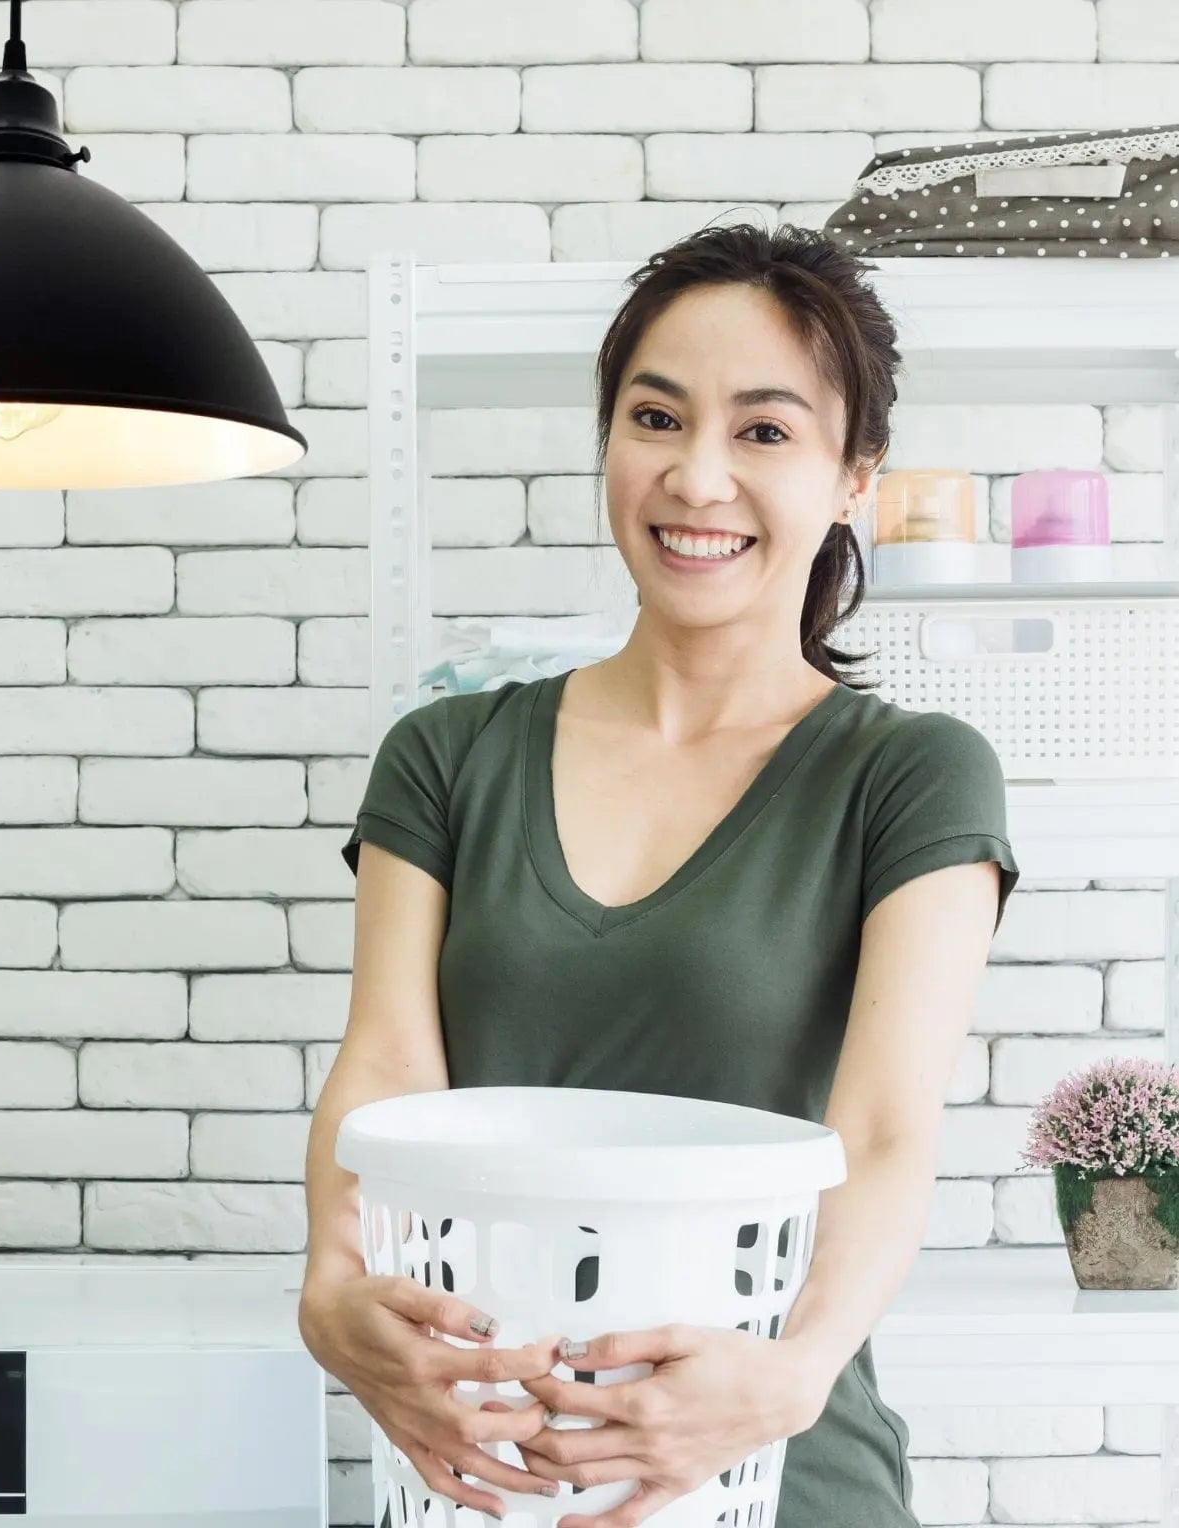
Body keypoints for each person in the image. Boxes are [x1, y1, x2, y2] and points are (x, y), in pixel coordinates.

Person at [297, 222, 1021, 1528]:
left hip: (780, 1468)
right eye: (655, 418)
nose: (696, 477)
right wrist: (330, 1289)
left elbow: (881, 1132)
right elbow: (388, 1072)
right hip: (489, 1476)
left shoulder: (909, 776)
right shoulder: (448, 756)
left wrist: (789, 1375)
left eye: (763, 431)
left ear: (853, 478)